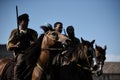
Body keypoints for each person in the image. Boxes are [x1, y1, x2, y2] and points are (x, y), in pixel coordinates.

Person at [7, 13, 38, 80]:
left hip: (32, 53)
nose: (27, 22)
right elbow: (9, 45)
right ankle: (16, 78)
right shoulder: (15, 32)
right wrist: (15, 45)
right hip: (21, 53)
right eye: (25, 21)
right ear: (20, 22)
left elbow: (37, 43)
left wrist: (34, 44)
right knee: (20, 62)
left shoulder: (33, 32)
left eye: (27, 20)